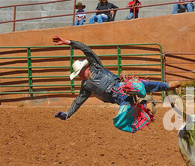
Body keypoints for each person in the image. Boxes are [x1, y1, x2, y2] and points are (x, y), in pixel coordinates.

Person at [52, 36, 180, 133]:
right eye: (77, 74)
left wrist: (68, 42)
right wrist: (67, 114)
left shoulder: (96, 66)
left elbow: (86, 49)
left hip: (123, 87)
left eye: (79, 73)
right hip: (121, 100)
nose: (79, 76)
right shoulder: (85, 87)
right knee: (119, 122)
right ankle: (144, 105)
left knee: (138, 85)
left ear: (84, 68)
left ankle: (166, 86)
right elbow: (78, 102)